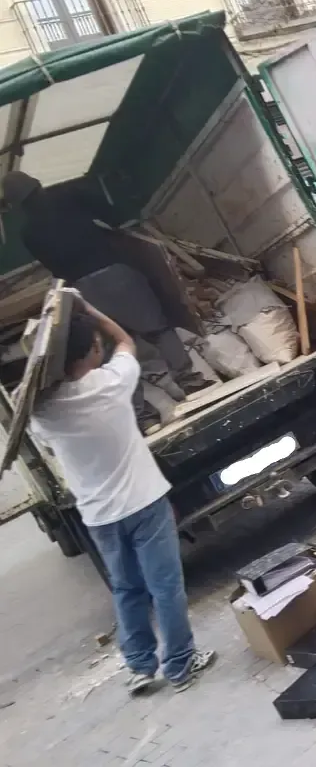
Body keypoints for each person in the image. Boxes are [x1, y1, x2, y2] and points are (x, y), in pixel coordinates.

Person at [29, 295, 216, 696]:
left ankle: (140, 668)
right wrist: (89, 309)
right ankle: (181, 665)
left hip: (99, 516)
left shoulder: (44, 412)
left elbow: (41, 434)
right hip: (145, 503)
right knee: (164, 586)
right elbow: (126, 342)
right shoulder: (112, 383)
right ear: (92, 351)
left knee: (127, 589)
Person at [1, 171, 212, 432]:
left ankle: (143, 416)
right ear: (37, 184)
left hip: (83, 289)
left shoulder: (28, 233)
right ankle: (190, 382)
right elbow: (114, 216)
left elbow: (54, 268)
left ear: (17, 202)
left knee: (116, 351)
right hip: (114, 273)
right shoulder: (68, 196)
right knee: (158, 329)